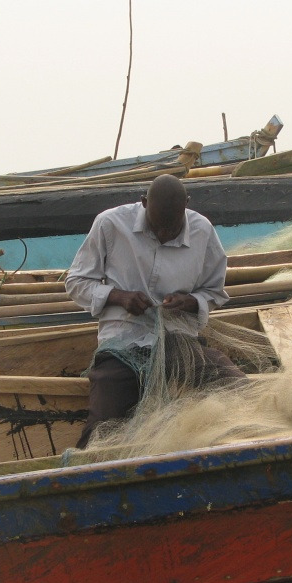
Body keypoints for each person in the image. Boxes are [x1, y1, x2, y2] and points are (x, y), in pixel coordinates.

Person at [65, 174, 244, 447]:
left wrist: (190, 302)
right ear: (144, 202)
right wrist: (118, 296)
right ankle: (91, 464)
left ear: (187, 205)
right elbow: (76, 283)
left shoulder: (203, 231)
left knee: (238, 389)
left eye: (171, 229)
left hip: (179, 340)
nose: (163, 235)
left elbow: (215, 292)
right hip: (124, 342)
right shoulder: (111, 224)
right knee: (105, 417)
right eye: (157, 227)